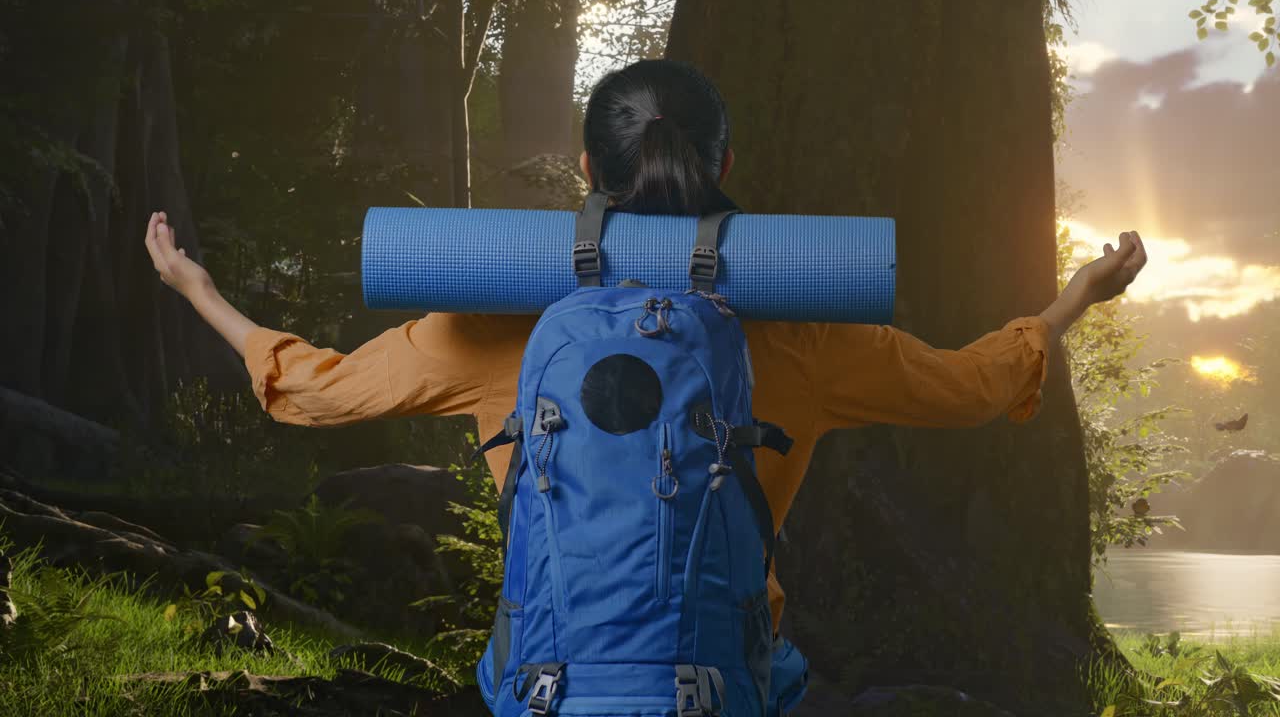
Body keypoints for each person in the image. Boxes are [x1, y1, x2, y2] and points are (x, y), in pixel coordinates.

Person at [145, 59, 1146, 711]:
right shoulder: (803, 336)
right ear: (724, 162)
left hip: (546, 686)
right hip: (724, 685)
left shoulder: (492, 329)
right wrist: (1072, 301)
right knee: (789, 675)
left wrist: (200, 292)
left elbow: (316, 391)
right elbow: (972, 388)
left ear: (587, 166)